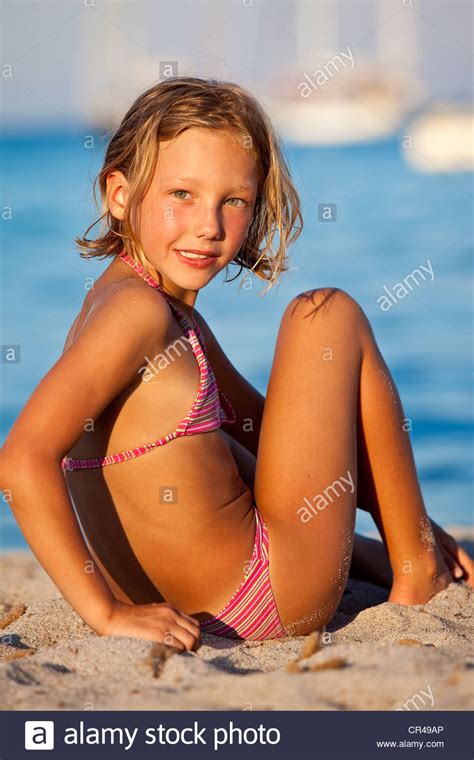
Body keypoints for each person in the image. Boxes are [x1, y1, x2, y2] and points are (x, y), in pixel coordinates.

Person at [1, 77, 471, 654]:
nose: (209, 225)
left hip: (193, 600)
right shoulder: (138, 314)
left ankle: (382, 551)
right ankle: (415, 565)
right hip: (262, 597)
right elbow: (21, 459)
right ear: (119, 194)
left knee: (230, 439)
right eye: (182, 194)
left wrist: (402, 515)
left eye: (235, 200)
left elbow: (274, 436)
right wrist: (106, 615)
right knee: (327, 315)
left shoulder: (130, 306)